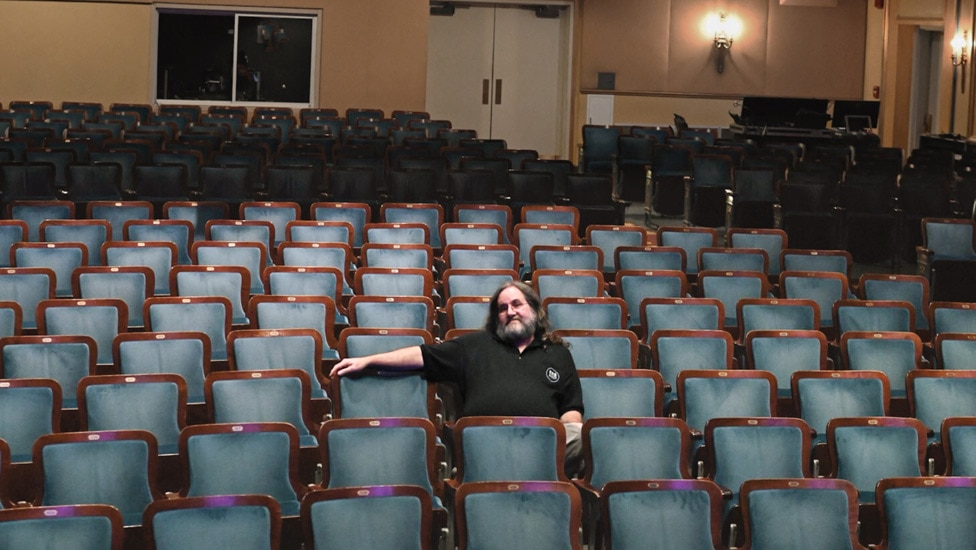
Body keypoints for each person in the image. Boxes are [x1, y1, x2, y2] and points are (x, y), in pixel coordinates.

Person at [330, 280, 584, 477]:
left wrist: (560, 436)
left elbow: (571, 409)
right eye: (502, 308)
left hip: (542, 443)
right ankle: (522, 477)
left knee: (584, 436)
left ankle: (521, 473)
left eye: (517, 304)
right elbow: (422, 355)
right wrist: (369, 360)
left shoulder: (558, 353)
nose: (510, 312)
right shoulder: (474, 345)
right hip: (486, 441)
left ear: (534, 309)